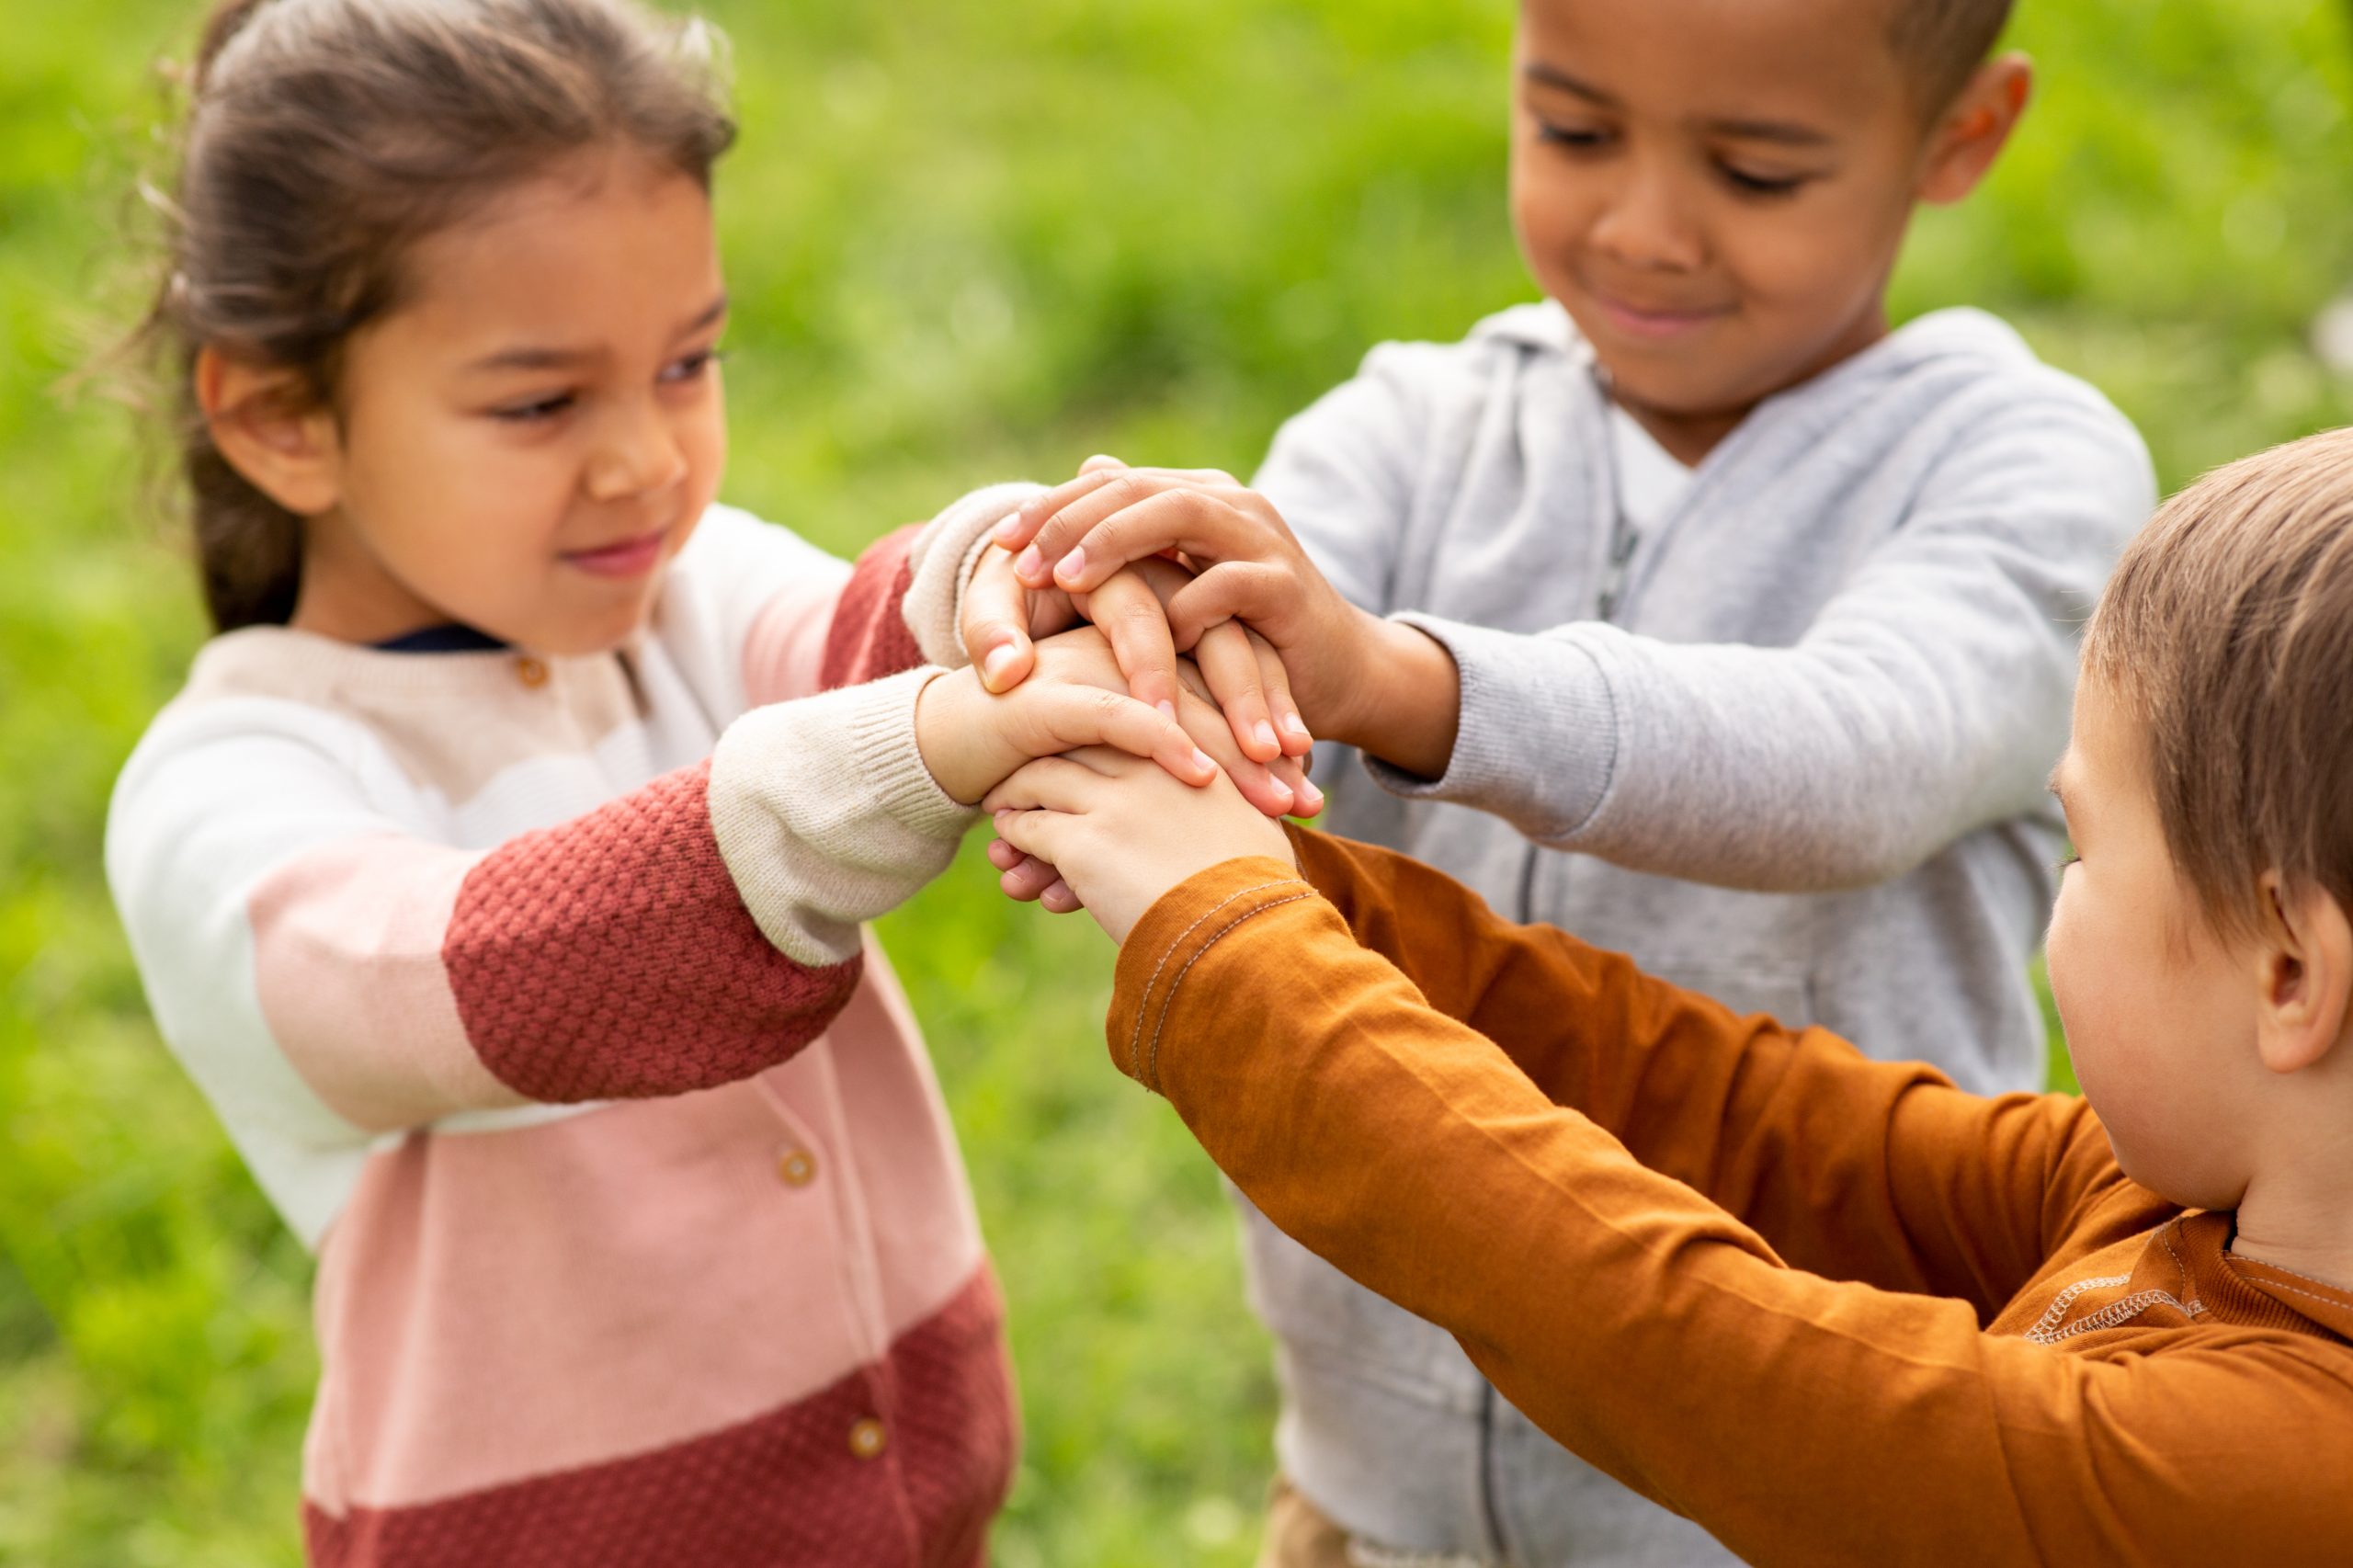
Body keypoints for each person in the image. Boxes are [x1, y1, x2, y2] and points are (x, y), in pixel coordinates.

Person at [955, 0, 2156, 1559]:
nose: (1645, 227)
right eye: (1576, 131)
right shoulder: (1409, 429)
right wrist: (1075, 599)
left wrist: (1400, 681)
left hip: (1783, 1495)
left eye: (1757, 168)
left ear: (1964, 135)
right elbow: (1217, 632)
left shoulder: (2028, 470)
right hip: (1369, 1487)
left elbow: (1857, 757)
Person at [101, 1, 1291, 1560]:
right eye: (542, 401)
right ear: (282, 418)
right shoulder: (227, 793)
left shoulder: (683, 588)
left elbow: (859, 629)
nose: (649, 464)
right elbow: (486, 974)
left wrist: (1021, 575)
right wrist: (922, 745)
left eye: (688, 361)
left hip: (910, 1495)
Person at [983, 426, 2353, 1566]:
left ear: (2289, 970)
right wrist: (1291, 880)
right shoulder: (2186, 1198)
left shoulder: (2263, 1479)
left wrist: (1233, 945)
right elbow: (1727, 1109)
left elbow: (1668, 1338)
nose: (2069, 881)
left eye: (2084, 847)